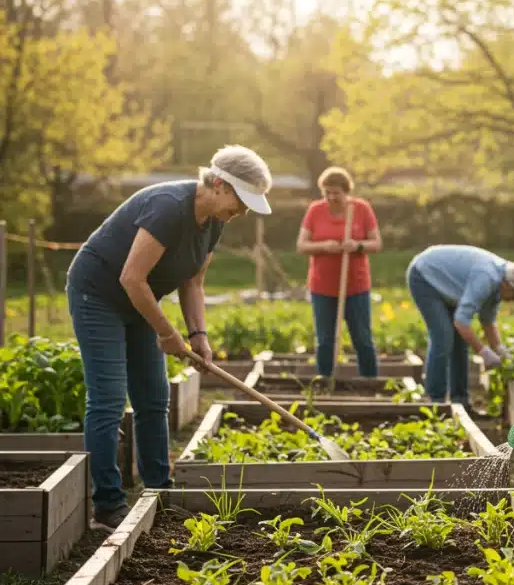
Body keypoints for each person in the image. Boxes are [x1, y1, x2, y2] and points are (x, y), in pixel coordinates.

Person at [66, 145, 273, 530]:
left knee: (154, 397)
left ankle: (160, 489)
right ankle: (107, 506)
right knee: (110, 399)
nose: (243, 211)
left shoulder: (215, 220)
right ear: (216, 184)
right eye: (241, 201)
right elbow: (131, 277)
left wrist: (197, 334)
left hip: (141, 300)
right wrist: (166, 332)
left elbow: (193, 281)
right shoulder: (168, 207)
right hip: (99, 295)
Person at [406, 245, 514, 405]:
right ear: (509, 285)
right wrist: (483, 351)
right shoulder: (486, 278)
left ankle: (460, 400)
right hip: (425, 276)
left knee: (460, 342)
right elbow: (461, 321)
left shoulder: (499, 284)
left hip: (447, 283)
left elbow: (488, 321)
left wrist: (500, 350)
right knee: (443, 336)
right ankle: (435, 399)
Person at [296, 166, 383, 378]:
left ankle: (370, 383)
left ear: (347, 191)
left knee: (362, 338)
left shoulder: (361, 209)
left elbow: (376, 243)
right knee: (325, 340)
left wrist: (357, 246)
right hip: (322, 286)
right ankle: (325, 382)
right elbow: (302, 246)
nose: (332, 197)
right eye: (327, 193)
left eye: (337, 193)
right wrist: (324, 246)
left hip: (356, 286)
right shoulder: (315, 210)